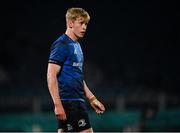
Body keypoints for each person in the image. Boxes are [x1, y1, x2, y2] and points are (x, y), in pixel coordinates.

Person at [47, 7, 105, 132]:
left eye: (86, 24)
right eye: (81, 23)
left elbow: (77, 76)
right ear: (70, 23)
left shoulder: (77, 46)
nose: (84, 27)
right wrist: (57, 105)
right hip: (70, 102)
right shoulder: (62, 44)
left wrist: (92, 98)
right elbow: (51, 76)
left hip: (76, 100)